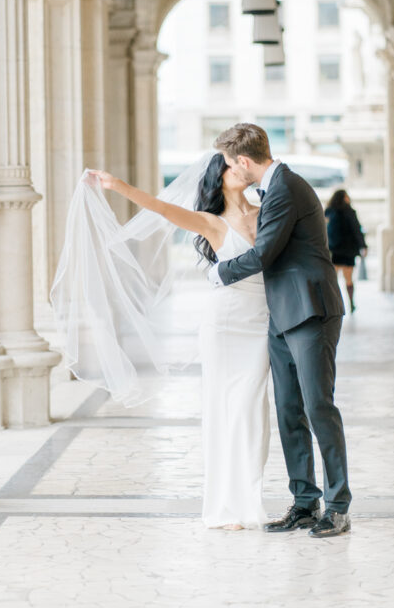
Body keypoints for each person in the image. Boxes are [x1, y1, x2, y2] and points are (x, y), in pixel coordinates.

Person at [90, 153, 271, 532]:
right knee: (224, 412)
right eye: (227, 166)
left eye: (238, 164)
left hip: (262, 323)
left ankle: (249, 499)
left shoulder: (266, 209)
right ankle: (225, 507)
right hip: (225, 325)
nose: (236, 169)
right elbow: (162, 209)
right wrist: (117, 185)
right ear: (217, 178)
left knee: (253, 414)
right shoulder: (210, 221)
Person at [210, 123, 352, 538]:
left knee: (318, 408)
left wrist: (219, 273)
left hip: (311, 312)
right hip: (282, 315)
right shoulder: (273, 188)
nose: (232, 171)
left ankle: (338, 506)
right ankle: (305, 503)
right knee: (289, 411)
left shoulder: (287, 187)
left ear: (244, 161)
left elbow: (264, 252)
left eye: (231, 164)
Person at [325, 190, 367, 314]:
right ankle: (351, 303)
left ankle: (333, 304)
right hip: (349, 250)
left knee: (333, 279)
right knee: (348, 279)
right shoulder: (350, 212)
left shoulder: (329, 211)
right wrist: (363, 245)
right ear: (344, 198)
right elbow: (356, 230)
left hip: (335, 250)